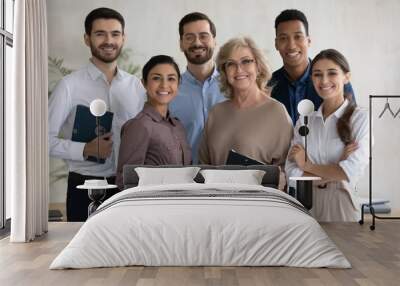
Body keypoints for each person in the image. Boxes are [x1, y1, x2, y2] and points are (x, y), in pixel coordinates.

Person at [48, 7, 145, 221]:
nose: (108, 40)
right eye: (100, 33)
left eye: (115, 34)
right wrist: (84, 149)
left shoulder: (136, 87)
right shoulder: (68, 86)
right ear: (87, 38)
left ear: (123, 38)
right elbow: (43, 141)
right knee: (82, 252)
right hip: (84, 186)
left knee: (126, 251)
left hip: (128, 187)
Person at [285, 49, 368, 222]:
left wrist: (307, 165)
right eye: (317, 74)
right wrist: (335, 169)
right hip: (306, 207)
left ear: (346, 77)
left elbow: (350, 171)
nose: (324, 81)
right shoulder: (304, 122)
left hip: (341, 206)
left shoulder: (360, 118)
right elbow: (291, 174)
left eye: (332, 73)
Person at [198, 37, 293, 188]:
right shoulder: (216, 113)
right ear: (224, 71)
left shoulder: (276, 112)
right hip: (218, 203)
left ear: (258, 66)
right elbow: (203, 164)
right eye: (231, 64)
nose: (239, 69)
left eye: (246, 61)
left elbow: (288, 170)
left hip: (260, 205)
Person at [116, 55, 192, 189]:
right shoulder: (139, 126)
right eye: (156, 78)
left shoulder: (178, 126)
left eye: (171, 79)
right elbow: (125, 180)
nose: (164, 85)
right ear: (144, 83)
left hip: (181, 204)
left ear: (178, 83)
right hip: (153, 207)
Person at [269, 9, 355, 125]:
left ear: (308, 41)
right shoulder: (268, 86)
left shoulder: (334, 81)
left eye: (298, 37)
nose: (291, 45)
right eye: (283, 38)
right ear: (276, 44)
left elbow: (351, 124)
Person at [169, 12, 225, 163]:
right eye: (189, 37)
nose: (197, 43)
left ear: (214, 41)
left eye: (204, 36)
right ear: (181, 44)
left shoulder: (233, 85)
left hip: (230, 178)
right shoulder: (169, 91)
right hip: (185, 179)